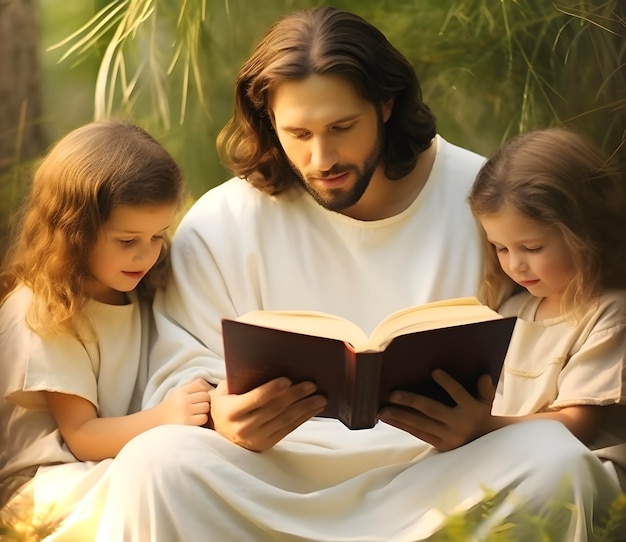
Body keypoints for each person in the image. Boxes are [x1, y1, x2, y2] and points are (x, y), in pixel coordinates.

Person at [54, 7, 622, 541]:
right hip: (270, 474)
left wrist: (479, 423)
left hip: (440, 468)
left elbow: (550, 326)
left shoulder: (481, 200)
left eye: (341, 126)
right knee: (157, 464)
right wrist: (221, 415)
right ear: (268, 122)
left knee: (555, 464)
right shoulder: (222, 219)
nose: (321, 157)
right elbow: (182, 364)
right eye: (298, 134)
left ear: (387, 105)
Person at [0, 121, 212, 538]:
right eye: (126, 239)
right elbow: (81, 436)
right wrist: (167, 417)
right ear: (75, 231)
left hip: (106, 464)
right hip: (44, 487)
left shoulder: (133, 287)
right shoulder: (47, 307)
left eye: (157, 235)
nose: (146, 254)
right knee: (170, 485)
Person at [391, 128, 626, 491]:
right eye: (500, 248)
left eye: (531, 248)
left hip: (575, 473)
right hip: (507, 458)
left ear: (586, 231)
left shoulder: (607, 313)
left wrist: (484, 429)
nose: (515, 265)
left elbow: (579, 425)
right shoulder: (512, 309)